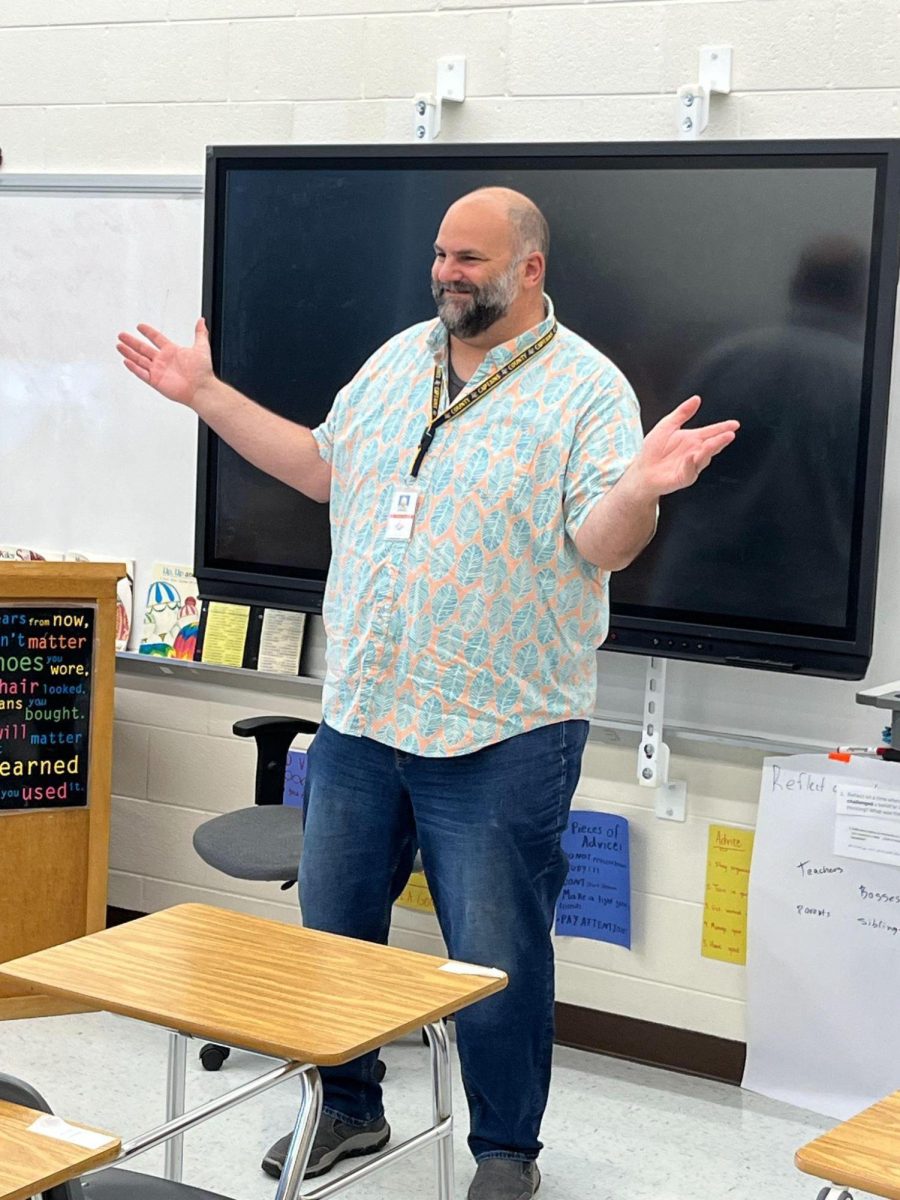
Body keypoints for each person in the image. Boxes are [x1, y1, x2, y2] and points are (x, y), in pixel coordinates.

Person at [117, 186, 738, 1200]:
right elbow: (322, 470)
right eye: (442, 255)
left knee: (492, 954)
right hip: (364, 712)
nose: (448, 272)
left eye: (471, 259)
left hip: (503, 727)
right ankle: (350, 1110)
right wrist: (204, 394)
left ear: (529, 270)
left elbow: (601, 543)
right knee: (337, 934)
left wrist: (641, 488)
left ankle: (504, 1153)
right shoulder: (398, 359)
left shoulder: (586, 391)